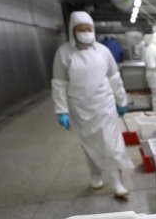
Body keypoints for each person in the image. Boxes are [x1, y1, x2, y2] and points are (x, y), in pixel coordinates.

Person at [51, 11, 133, 198]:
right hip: (80, 107)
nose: (86, 33)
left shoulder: (103, 51)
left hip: (104, 103)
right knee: (90, 145)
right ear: (73, 31)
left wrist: (121, 100)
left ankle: (117, 183)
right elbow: (59, 83)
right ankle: (96, 176)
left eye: (89, 29)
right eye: (81, 29)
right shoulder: (64, 53)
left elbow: (114, 77)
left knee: (112, 144)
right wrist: (61, 110)